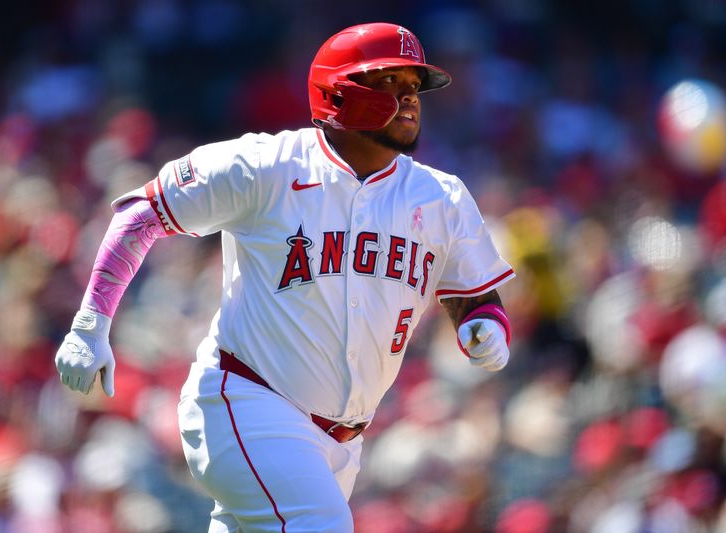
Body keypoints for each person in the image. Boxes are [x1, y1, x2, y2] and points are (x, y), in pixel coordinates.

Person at [55, 22, 515, 532]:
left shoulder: (442, 197)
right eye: (389, 84)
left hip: (341, 443)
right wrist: (90, 324)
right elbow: (140, 214)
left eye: (414, 87)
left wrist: (486, 327)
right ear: (337, 93)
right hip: (246, 402)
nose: (409, 100)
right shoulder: (265, 166)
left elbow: (475, 297)